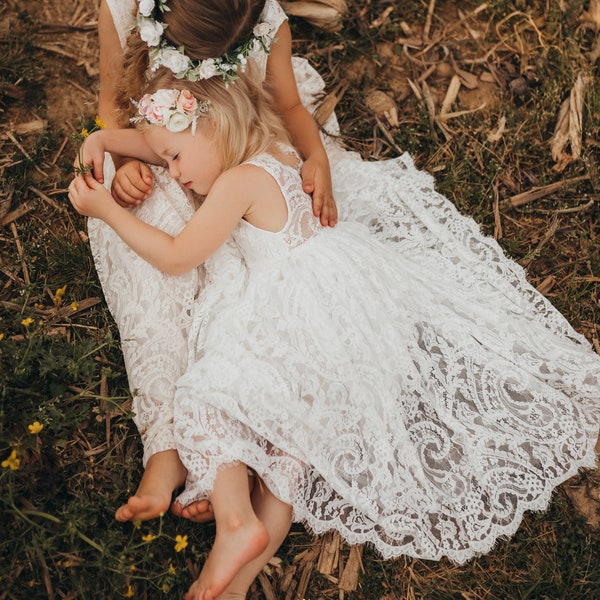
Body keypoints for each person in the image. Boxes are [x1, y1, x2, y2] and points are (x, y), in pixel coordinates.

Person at [69, 65, 600, 600]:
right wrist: (103, 137)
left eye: (174, 159)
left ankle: (234, 521)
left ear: (212, 126)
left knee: (210, 398)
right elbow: (167, 136)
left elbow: (179, 257)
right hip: (353, 328)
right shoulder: (274, 146)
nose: (172, 173)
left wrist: (106, 210)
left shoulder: (236, 184)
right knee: (287, 463)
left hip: (300, 324)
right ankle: (236, 581)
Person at [93, 0, 339, 525]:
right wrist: (129, 161)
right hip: (165, 152)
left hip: (240, 141)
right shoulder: (120, 9)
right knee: (154, 242)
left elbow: (291, 108)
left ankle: (239, 445)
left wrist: (315, 155)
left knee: (250, 301)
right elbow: (114, 109)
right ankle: (165, 445)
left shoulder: (262, 19)